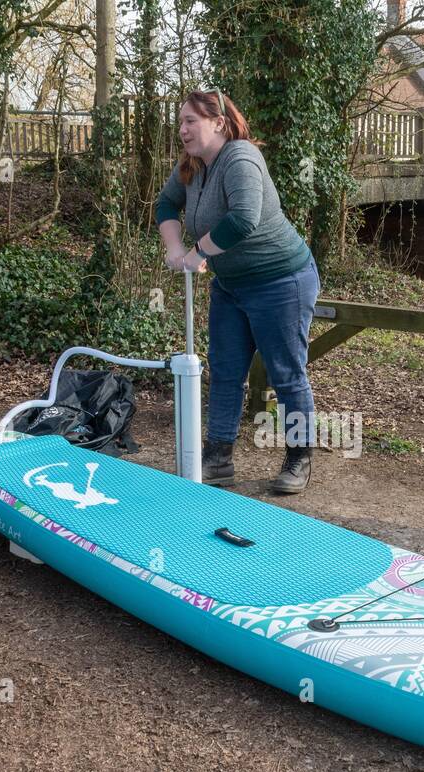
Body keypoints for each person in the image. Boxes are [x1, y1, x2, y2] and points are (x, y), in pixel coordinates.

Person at [154, 89, 321, 494]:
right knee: (226, 371)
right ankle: (218, 458)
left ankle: (300, 458)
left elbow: (244, 218)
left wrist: (198, 251)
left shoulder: (241, 158)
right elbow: (165, 204)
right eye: (180, 122)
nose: (183, 129)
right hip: (231, 285)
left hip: (281, 280)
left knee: (286, 373)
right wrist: (176, 250)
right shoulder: (192, 167)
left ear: (219, 123)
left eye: (191, 120)